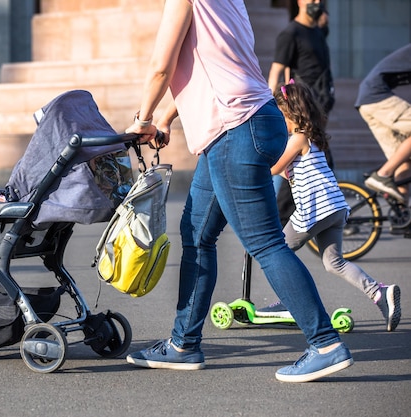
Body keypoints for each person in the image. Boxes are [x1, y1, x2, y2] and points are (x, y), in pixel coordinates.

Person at [123, 0, 353, 383]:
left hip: (234, 130)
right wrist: (165, 117)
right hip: (250, 123)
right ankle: (183, 344)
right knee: (196, 233)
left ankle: (325, 344)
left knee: (264, 243)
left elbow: (161, 66)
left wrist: (142, 119)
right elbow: (214, 67)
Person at [255, 81, 401, 332]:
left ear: (290, 113)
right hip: (334, 208)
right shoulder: (312, 136)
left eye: (281, 117)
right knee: (334, 263)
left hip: (315, 209)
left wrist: (252, 165)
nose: (280, 123)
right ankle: (379, 293)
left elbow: (275, 168)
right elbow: (294, 172)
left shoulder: (298, 138)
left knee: (276, 251)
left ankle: (290, 302)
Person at [268, 0, 335, 226]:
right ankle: (282, 218)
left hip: (320, 105)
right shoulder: (291, 33)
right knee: (298, 161)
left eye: (319, 0)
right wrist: (271, 106)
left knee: (320, 158)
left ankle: (326, 208)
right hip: (302, 107)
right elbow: (277, 70)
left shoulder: (318, 31)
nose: (315, 2)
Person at [356, 44, 411, 206]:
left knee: (403, 161)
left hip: (368, 101)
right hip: (376, 97)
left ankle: (402, 219)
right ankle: (383, 174)